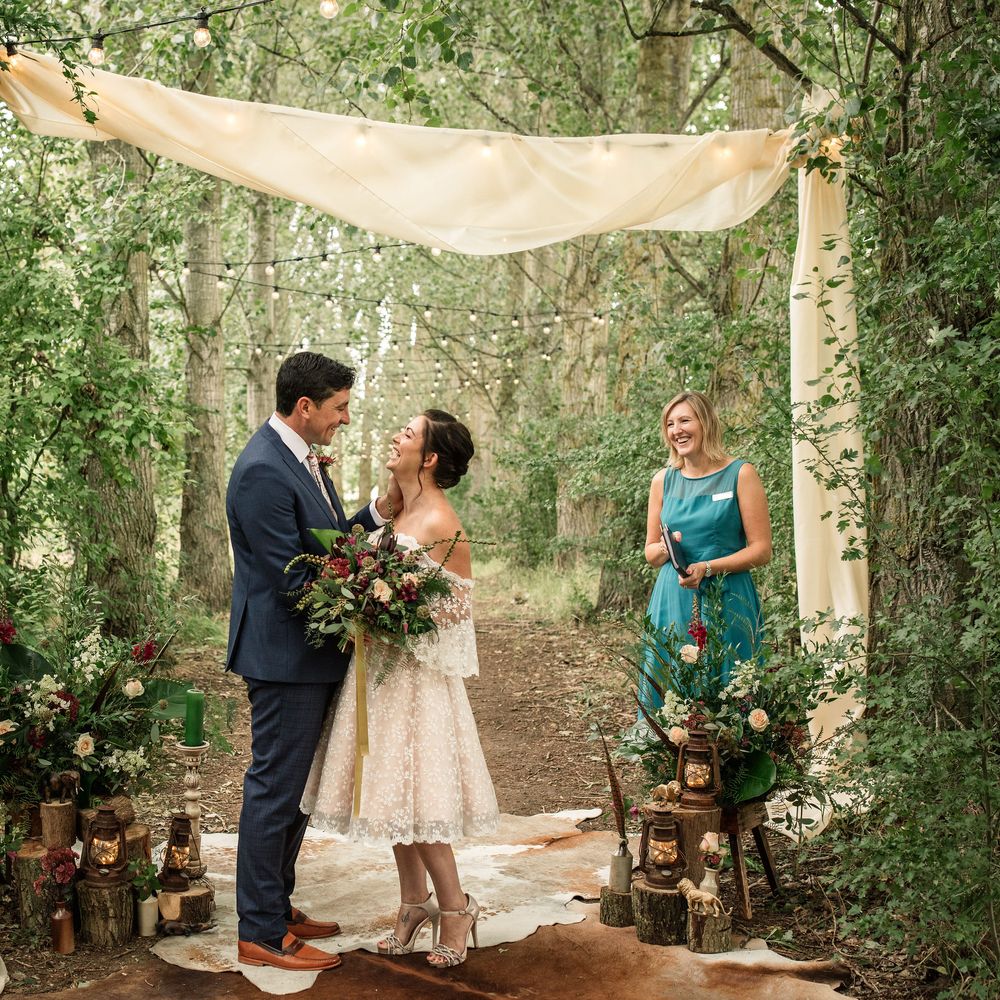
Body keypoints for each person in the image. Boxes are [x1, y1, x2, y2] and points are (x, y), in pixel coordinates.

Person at [302, 409, 499, 970]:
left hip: (416, 684)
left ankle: (456, 909)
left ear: (430, 457)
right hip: (377, 678)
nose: (396, 437)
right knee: (392, 797)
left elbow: (457, 618)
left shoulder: (441, 520)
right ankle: (414, 904)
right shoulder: (400, 509)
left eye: (408, 434)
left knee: (422, 799)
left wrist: (396, 618)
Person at [226, 352, 402, 972]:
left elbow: (323, 544)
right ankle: (261, 931)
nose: (344, 420)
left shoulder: (302, 460)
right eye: (339, 408)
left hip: (310, 655)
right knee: (274, 788)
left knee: (295, 789)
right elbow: (290, 579)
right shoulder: (262, 472)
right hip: (283, 658)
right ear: (306, 407)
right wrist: (368, 606)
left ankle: (276, 903)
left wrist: (378, 515)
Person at [639, 390, 772, 712]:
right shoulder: (663, 481)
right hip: (674, 597)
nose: (677, 430)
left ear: (706, 423)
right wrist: (666, 548)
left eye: (685, 420)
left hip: (728, 596)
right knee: (674, 689)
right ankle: (673, 759)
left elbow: (762, 550)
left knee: (732, 690)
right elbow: (650, 552)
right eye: (670, 424)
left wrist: (707, 567)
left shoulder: (741, 474)